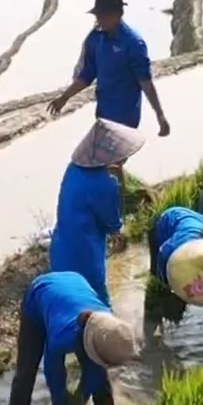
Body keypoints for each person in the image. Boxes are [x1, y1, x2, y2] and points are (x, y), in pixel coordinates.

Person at [7, 271, 141, 405]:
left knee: (100, 375)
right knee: (26, 370)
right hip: (39, 296)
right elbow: (53, 372)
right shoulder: (62, 336)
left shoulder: (111, 330)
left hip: (75, 284)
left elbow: (93, 372)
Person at [47, 0, 170, 137]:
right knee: (99, 158)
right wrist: (64, 97)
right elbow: (87, 75)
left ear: (118, 14)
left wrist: (160, 115)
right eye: (98, 16)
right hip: (103, 115)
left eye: (103, 16)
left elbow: (145, 82)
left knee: (112, 159)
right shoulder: (96, 38)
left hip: (126, 119)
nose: (99, 20)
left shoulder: (133, 43)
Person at [50, 119, 148, 302]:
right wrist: (118, 232)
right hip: (85, 248)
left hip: (62, 243)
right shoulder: (104, 184)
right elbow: (111, 222)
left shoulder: (72, 170)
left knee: (65, 295)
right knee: (95, 297)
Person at [149, 206, 203, 329]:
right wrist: (168, 284)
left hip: (202, 222)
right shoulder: (180, 245)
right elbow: (162, 254)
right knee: (160, 281)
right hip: (167, 221)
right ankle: (161, 318)